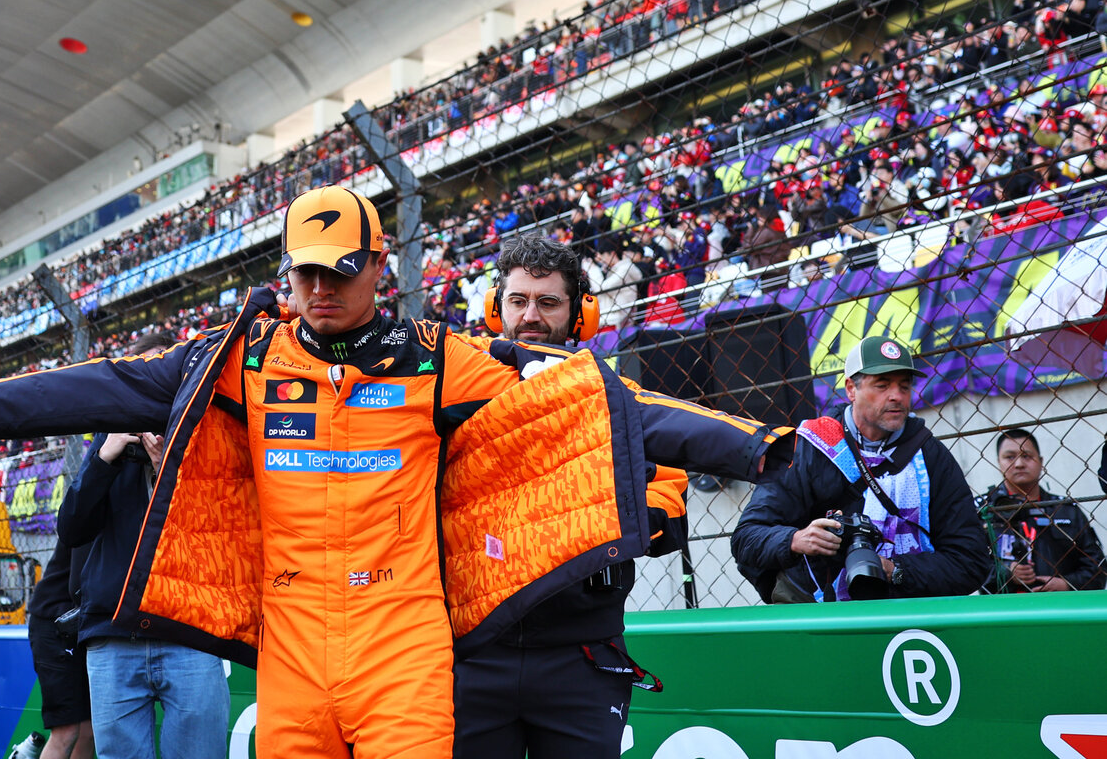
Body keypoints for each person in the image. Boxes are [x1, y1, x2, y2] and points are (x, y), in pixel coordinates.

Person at [0, 185, 795, 759]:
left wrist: (762, 451)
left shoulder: (442, 357)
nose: (321, 290)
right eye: (304, 274)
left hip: (403, 641)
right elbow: (106, 385)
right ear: (284, 274)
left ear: (383, 265)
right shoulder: (245, 355)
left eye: (342, 272)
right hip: (291, 644)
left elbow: (611, 412)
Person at [457, 231, 688, 759]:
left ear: (579, 313)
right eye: (517, 301)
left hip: (581, 655)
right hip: (474, 652)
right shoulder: (458, 392)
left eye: (547, 302)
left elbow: (668, 508)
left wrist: (604, 511)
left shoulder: (622, 399)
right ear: (497, 309)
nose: (530, 315)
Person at [56, 334, 228, 759]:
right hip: (113, 632)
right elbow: (72, 528)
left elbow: (216, 533)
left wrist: (165, 467)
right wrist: (104, 459)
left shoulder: (199, 431)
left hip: (188, 629)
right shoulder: (107, 436)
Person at [731, 336, 990, 602]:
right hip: (820, 612)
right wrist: (796, 539)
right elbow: (746, 539)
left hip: (912, 613)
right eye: (882, 385)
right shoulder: (809, 448)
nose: (897, 397)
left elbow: (971, 561)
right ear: (851, 389)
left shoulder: (930, 455)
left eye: (904, 386)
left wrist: (895, 570)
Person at [978, 428, 1105, 594]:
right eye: (1010, 457)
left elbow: (1098, 568)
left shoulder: (1065, 510)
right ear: (998, 462)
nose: (1019, 464)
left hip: (1060, 609)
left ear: (1041, 460)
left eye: (1026, 456)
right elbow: (966, 566)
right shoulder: (982, 511)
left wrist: (1066, 584)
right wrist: (1006, 572)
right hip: (1002, 612)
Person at [21, 533, 95, 759]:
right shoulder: (94, 502)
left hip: (85, 625)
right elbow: (79, 581)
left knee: (88, 731)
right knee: (66, 730)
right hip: (57, 620)